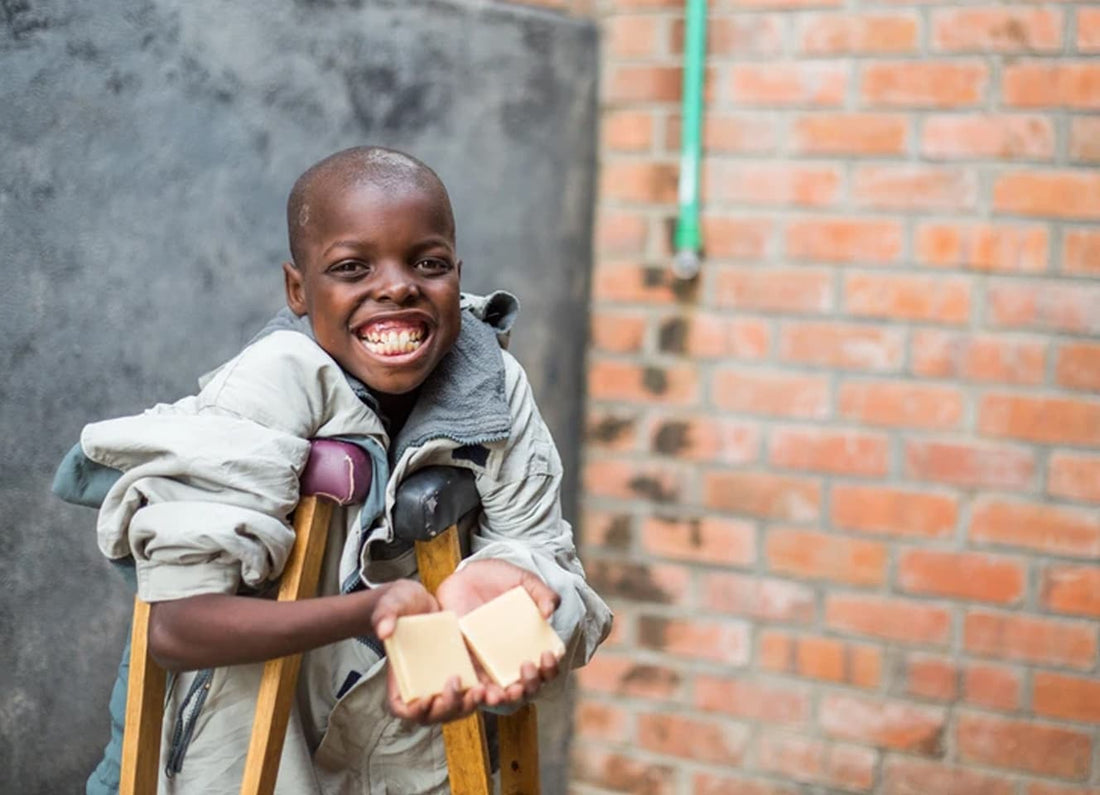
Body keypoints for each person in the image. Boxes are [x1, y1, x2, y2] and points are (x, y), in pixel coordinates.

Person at [54, 146, 613, 794]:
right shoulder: (264, 388)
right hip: (238, 757)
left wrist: (518, 582)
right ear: (298, 289)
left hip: (406, 757)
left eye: (428, 263)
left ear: (458, 277)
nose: (398, 285)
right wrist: (375, 609)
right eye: (352, 267)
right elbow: (180, 626)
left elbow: (557, 569)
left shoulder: (491, 384)